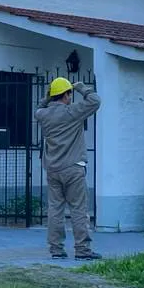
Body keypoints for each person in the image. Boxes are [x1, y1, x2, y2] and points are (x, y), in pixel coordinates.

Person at [35, 77, 102, 260]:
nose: (71, 97)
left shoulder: (43, 115)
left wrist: (49, 96)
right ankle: (83, 250)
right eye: (69, 93)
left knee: (55, 209)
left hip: (53, 169)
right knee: (78, 209)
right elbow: (95, 101)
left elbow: (39, 107)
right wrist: (80, 87)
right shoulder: (73, 112)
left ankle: (56, 249)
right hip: (73, 168)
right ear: (66, 95)